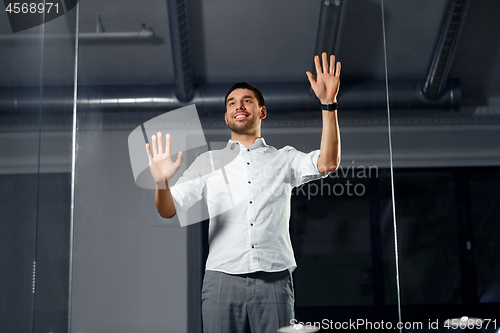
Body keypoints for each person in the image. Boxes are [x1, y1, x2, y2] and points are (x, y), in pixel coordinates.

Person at [145, 53, 341, 333]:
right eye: (232, 103)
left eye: (247, 100)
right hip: (221, 278)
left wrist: (328, 104)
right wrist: (162, 183)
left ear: (262, 111)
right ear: (227, 117)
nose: (239, 105)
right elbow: (167, 209)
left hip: (275, 278)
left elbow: (328, 163)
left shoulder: (285, 158)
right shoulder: (208, 163)